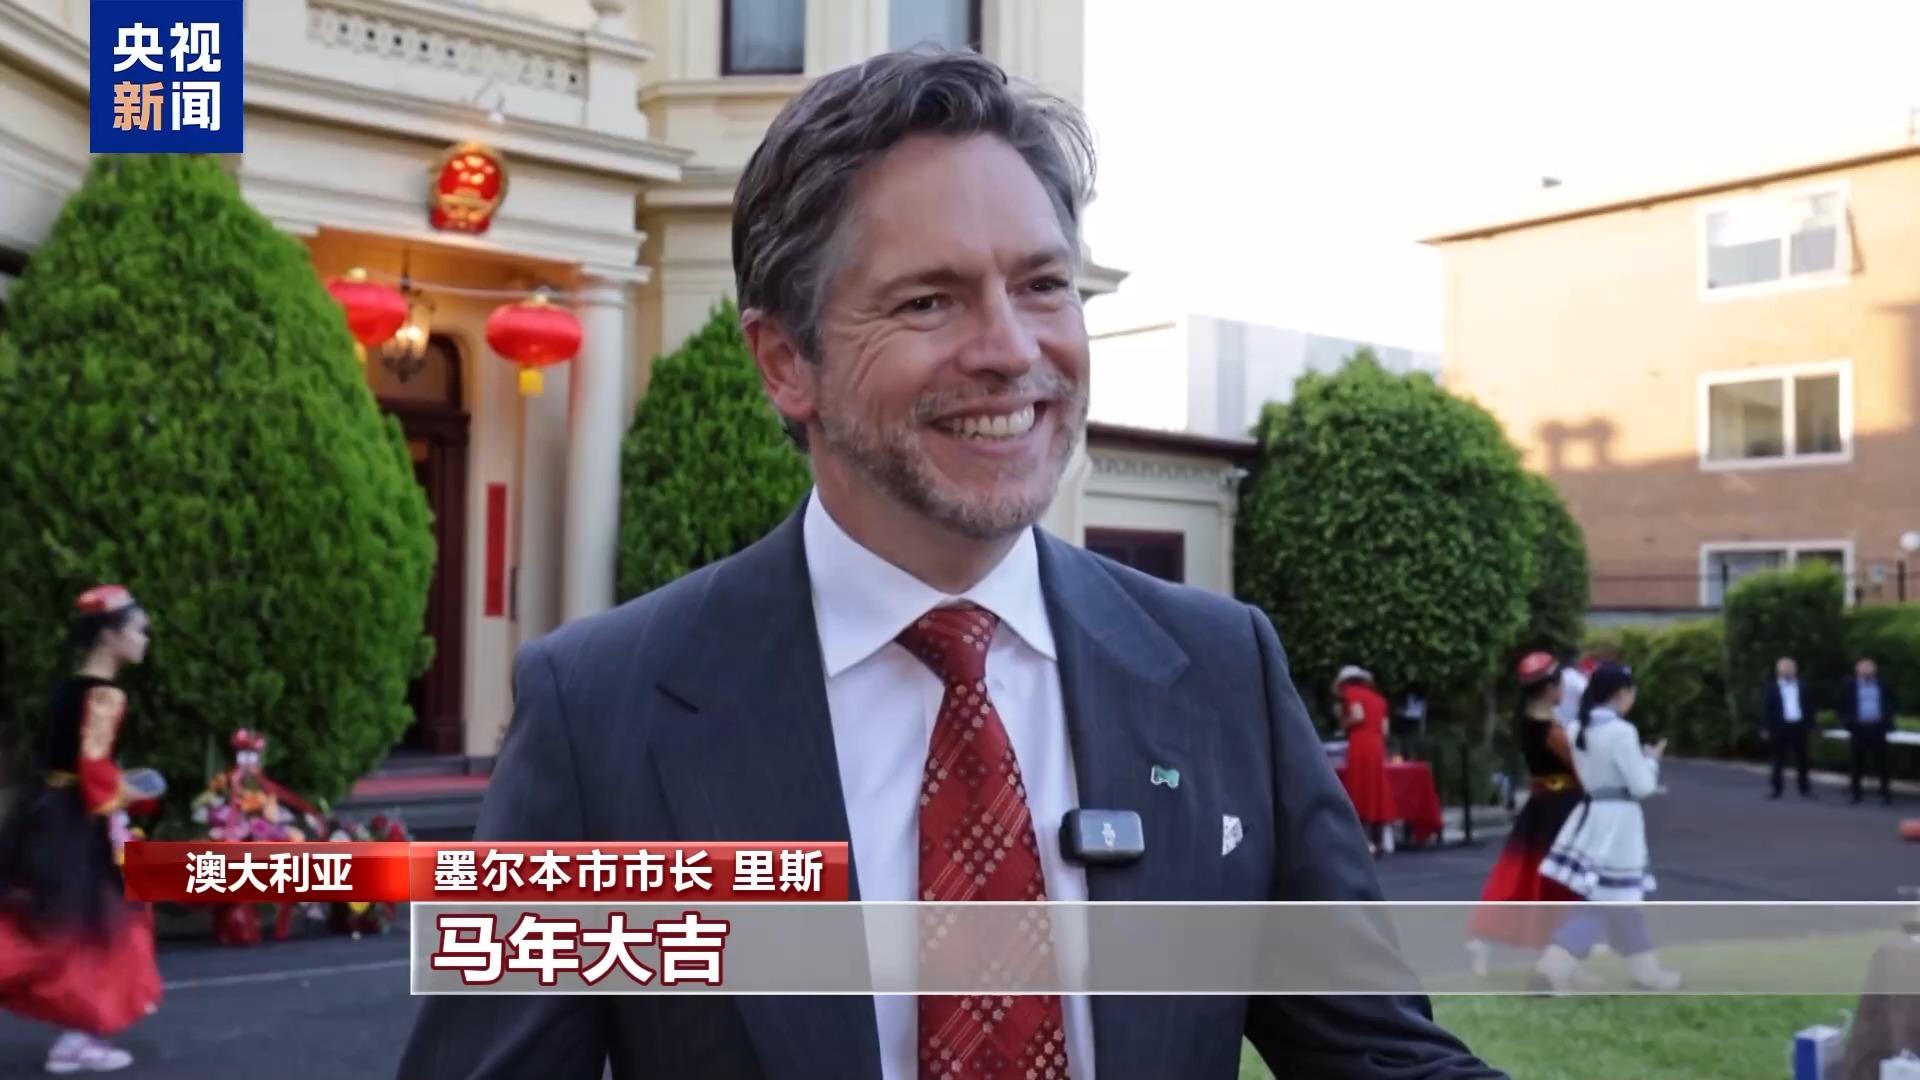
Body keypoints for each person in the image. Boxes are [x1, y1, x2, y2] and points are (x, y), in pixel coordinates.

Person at [396, 48, 1504, 1080]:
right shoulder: (601, 715)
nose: (1011, 351)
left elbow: (1382, 1056)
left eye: (1043, 285)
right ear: (785, 362)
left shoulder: (1221, 674)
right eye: (929, 300)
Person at [0, 585, 162, 1073]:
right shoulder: (105, 695)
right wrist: (133, 790)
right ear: (111, 635)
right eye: (138, 630)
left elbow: (70, 763)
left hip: (46, 813)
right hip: (79, 823)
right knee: (94, 927)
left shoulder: (68, 688)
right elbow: (94, 776)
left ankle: (78, 1036)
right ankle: (79, 1037)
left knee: (51, 923)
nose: (144, 639)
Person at [1535, 663, 1682, 993]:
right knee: (1611, 899)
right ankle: (1553, 968)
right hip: (1620, 823)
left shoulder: (1578, 727)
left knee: (1616, 900)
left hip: (1593, 815)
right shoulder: (1621, 731)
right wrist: (1651, 761)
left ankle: (1645, 972)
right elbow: (1642, 786)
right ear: (1620, 694)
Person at [1463, 652, 1588, 978]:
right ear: (1549, 687)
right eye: (1560, 683)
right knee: (1563, 882)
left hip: (1541, 803)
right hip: (1562, 807)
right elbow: (1581, 766)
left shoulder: (1529, 721)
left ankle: (1487, 938)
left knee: (1520, 876)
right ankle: (1563, 953)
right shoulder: (1551, 729)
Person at [1333, 666, 1400, 856]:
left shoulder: (1351, 693)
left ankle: (1362, 839)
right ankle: (1378, 840)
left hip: (1360, 743)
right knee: (1376, 789)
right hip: (1377, 745)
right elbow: (1385, 730)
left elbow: (1358, 715)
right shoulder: (1379, 699)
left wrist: (1343, 724)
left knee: (1359, 787)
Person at [1838, 655, 1899, 806]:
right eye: (1863, 666)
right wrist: (1848, 722)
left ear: (1875, 669)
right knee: (1857, 762)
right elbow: (1841, 704)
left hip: (1878, 728)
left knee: (1882, 763)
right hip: (1858, 728)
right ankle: (1856, 793)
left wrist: (1887, 719)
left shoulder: (1882, 684)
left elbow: (1892, 702)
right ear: (1857, 669)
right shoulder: (1849, 685)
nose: (1866, 669)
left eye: (1869, 666)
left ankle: (1885, 793)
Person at [1766, 656, 1814, 799]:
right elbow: (1767, 709)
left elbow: (1809, 706)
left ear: (1795, 669)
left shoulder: (1802, 685)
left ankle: (1804, 788)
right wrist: (1767, 727)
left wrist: (1810, 724)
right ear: (1778, 670)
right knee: (1778, 760)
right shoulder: (1772, 687)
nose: (1787, 670)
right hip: (1780, 727)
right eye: (1784, 667)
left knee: (1802, 759)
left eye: (1790, 667)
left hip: (1799, 726)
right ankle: (1776, 789)